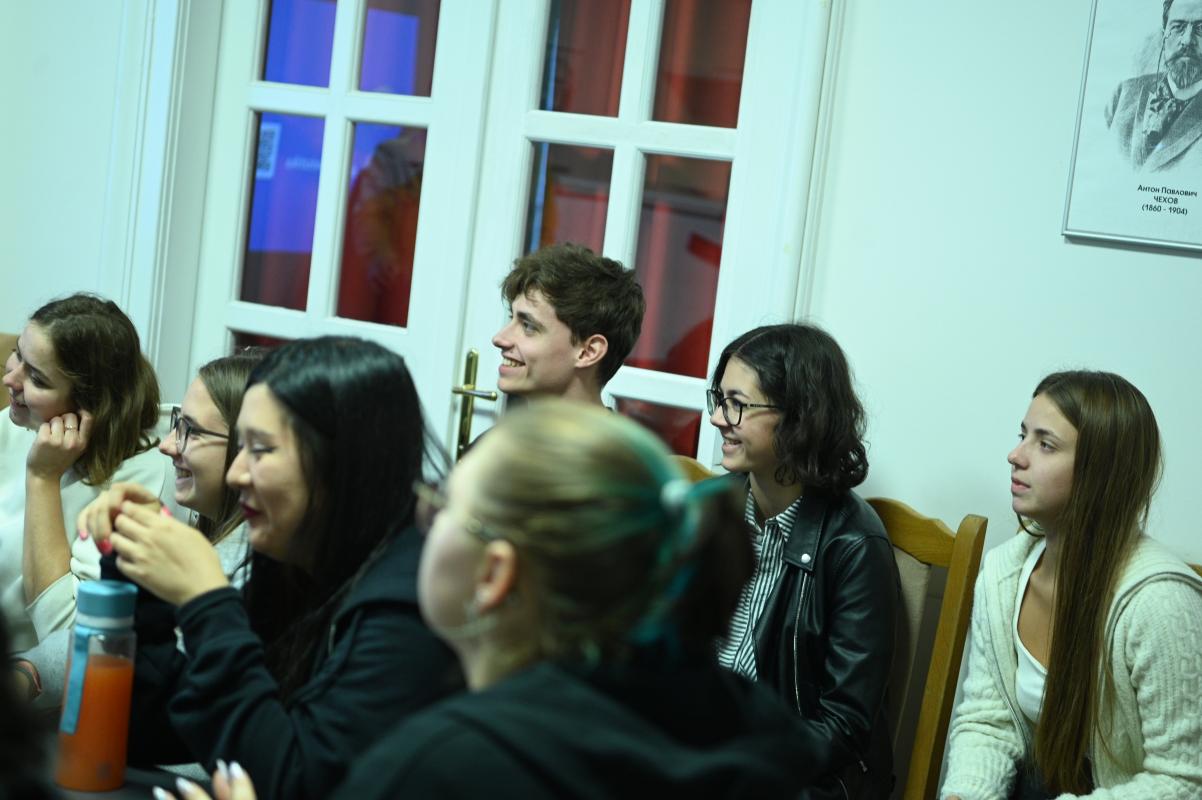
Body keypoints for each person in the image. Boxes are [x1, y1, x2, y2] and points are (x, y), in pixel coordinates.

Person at [82, 337, 461, 800]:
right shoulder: (301, 560)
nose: (235, 473)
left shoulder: (410, 606)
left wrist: (206, 601)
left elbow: (293, 781)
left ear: (340, 464)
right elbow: (155, 731)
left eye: (260, 450)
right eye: (239, 446)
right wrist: (136, 564)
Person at [941, 371, 1202, 799]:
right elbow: (989, 720)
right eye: (1023, 436)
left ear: (1102, 471)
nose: (1015, 456)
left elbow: (1183, 781)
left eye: (1045, 444)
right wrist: (966, 793)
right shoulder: (1004, 574)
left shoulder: (1161, 603)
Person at [708, 323, 898, 800]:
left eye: (737, 404)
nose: (717, 418)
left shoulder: (854, 545)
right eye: (719, 399)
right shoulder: (713, 508)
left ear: (799, 417)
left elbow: (844, 725)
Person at [13, 350, 263, 705]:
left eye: (190, 431)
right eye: (177, 423)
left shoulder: (248, 578)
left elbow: (151, 674)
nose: (168, 445)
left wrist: (42, 477)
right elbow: (110, 639)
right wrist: (29, 671)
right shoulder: (205, 536)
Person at [1, 293, 169, 664]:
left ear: (90, 406)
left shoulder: (133, 486)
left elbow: (66, 640)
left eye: (37, 378)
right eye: (17, 355)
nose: (9, 378)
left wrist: (42, 478)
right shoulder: (18, 424)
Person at [491, 243, 645, 405]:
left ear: (588, 352)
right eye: (512, 318)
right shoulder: (509, 424)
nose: (499, 339)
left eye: (528, 326)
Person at [1105, 0, 1202, 171]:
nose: (1187, 40)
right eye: (1178, 27)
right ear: (1164, 36)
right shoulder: (1123, 94)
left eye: (1200, 29)